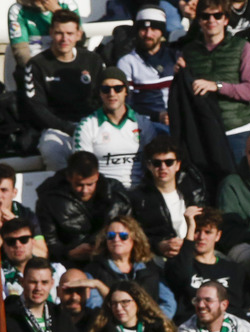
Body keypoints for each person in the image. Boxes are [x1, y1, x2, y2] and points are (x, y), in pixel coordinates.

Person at [164, 207, 250, 332]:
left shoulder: (233, 269)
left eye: (208, 232)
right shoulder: (181, 266)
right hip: (198, 323)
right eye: (197, 231)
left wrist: (249, 312)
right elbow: (181, 275)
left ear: (218, 236)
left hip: (233, 322)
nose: (201, 237)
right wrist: (189, 229)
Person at [179, 0, 250, 161]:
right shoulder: (189, 52)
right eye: (205, 16)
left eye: (217, 15)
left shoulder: (243, 48)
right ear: (199, 20)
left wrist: (217, 86)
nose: (211, 21)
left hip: (237, 131)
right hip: (203, 132)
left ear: (225, 19)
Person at [20, 9, 103, 171]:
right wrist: (68, 128)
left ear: (79, 34)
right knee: (53, 151)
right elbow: (37, 108)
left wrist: (88, 126)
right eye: (59, 33)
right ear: (51, 32)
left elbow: (102, 97)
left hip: (91, 125)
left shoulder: (92, 60)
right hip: (55, 130)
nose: (64, 39)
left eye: (70, 33)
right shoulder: (37, 65)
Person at [35, 151, 133, 269]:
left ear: (97, 176)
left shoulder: (117, 195)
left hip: (113, 260)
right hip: (71, 265)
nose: (85, 190)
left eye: (90, 184)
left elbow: (132, 232)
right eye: (79, 185)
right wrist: (69, 253)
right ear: (69, 177)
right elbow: (49, 242)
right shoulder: (49, 199)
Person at [73, 67, 156, 190]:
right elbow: (84, 170)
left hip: (140, 193)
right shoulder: (87, 126)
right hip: (105, 194)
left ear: (126, 91)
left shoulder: (143, 124)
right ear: (99, 93)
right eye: (105, 89)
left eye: (118, 89)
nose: (112, 94)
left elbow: (155, 164)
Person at [131, 138, 208, 260]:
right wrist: (158, 245)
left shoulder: (194, 191)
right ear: (149, 165)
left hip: (195, 252)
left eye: (169, 162)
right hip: (159, 258)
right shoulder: (138, 198)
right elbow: (133, 235)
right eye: (157, 163)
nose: (163, 167)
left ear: (178, 165)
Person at [87, 216, 178, 318]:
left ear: (134, 238)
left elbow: (168, 304)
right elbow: (95, 306)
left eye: (123, 236)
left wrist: (152, 323)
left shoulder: (151, 268)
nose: (116, 239)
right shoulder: (94, 270)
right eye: (111, 235)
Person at [118, 6, 177, 138]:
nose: (148, 34)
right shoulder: (127, 62)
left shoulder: (176, 57)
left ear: (162, 31)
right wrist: (156, 116)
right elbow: (124, 103)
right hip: (145, 123)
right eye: (143, 29)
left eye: (154, 29)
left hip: (177, 120)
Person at [6, 0, 80, 70]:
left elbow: (80, 40)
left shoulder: (67, 4)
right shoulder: (18, 9)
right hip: (34, 65)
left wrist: (58, 12)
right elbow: (20, 50)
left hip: (66, 64)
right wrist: (37, 71)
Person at [2, 218, 63, 300]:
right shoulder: (1, 274)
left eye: (24, 239)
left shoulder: (57, 270)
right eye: (11, 241)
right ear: (4, 245)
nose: (18, 245)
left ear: (33, 241)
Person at [0, 165, 48, 258]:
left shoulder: (26, 215)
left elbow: (43, 254)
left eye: (4, 190)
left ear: (14, 193)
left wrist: (17, 228)